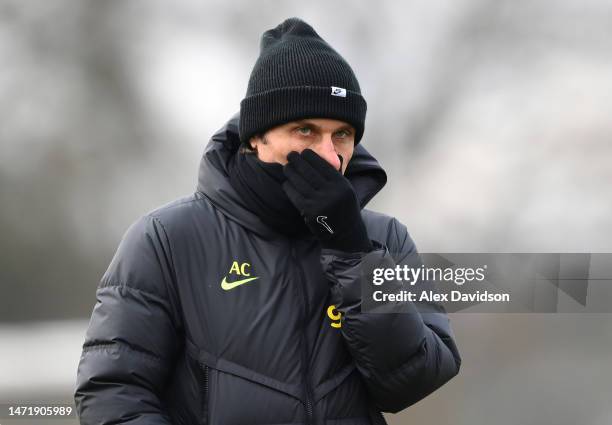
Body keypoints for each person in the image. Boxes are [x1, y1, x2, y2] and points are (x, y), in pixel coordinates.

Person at [74, 17, 461, 425]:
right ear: (257, 137)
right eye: (305, 130)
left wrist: (351, 251)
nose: (329, 156)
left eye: (342, 134)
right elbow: (111, 394)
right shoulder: (166, 240)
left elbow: (412, 378)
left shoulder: (383, 240)